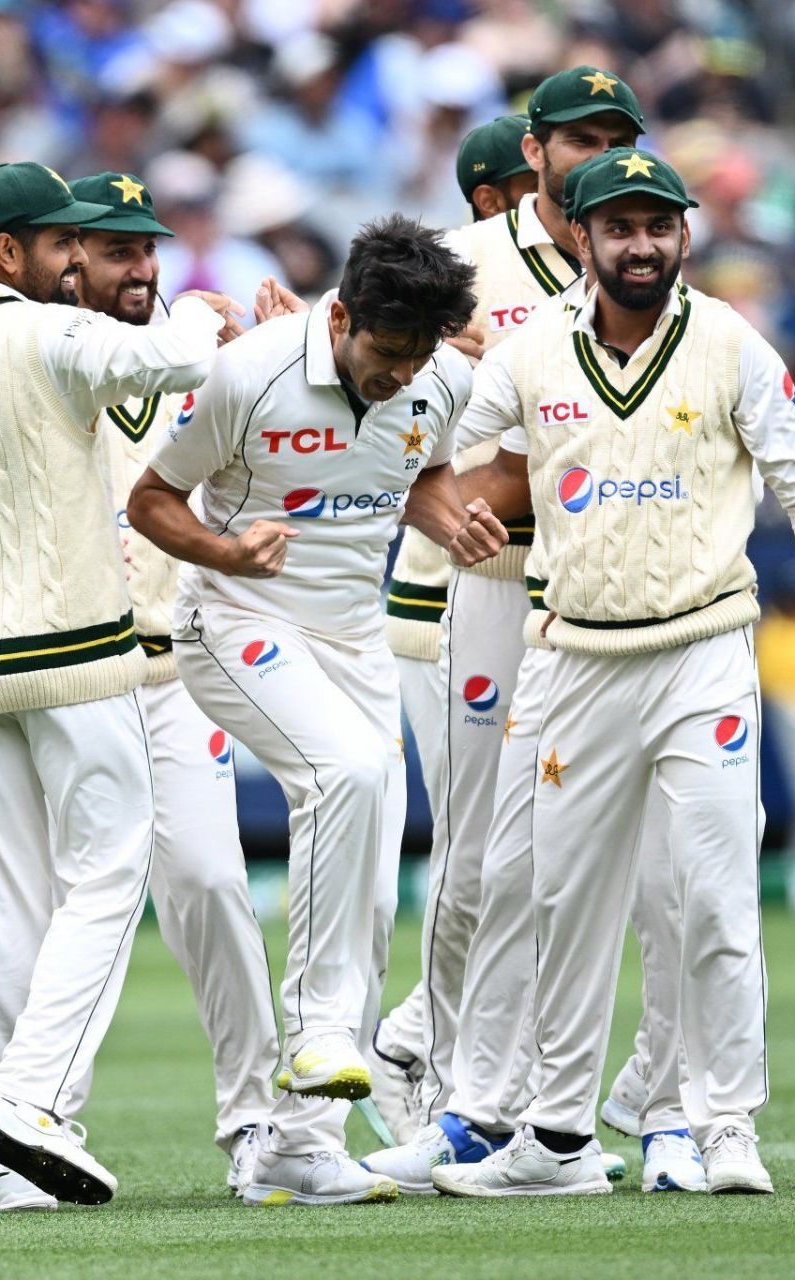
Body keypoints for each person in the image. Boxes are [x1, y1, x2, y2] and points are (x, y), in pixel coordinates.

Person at [432, 148, 795, 1198]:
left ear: (684, 235)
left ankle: (724, 1126)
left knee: (715, 898)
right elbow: (432, 450)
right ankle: (561, 1139)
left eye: (658, 226)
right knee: (564, 903)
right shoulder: (527, 355)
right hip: (574, 656)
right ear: (579, 235)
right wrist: (435, 499)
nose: (641, 244)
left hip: (703, 650)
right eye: (619, 227)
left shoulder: (729, 342)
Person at [0, 162, 240, 1208]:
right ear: (8, 253)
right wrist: (203, 306)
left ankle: (10, 1162)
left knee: (8, 897)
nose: (80, 256)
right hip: (75, 649)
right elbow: (169, 351)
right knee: (109, 875)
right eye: (61, 242)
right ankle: (30, 1096)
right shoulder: (45, 331)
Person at [128, 214, 502, 1208]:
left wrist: (447, 511)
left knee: (375, 881)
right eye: (384, 354)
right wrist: (223, 551)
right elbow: (150, 501)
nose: (397, 376)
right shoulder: (249, 373)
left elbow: (416, 469)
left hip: (351, 637)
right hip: (234, 619)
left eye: (416, 357)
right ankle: (320, 1033)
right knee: (347, 773)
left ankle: (297, 1145)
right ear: (340, 317)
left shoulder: (440, 380)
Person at [365, 66, 660, 1191]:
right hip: (477, 584)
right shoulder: (464, 262)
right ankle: (442, 1068)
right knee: (481, 852)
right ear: (530, 154)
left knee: (583, 860)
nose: (595, 155)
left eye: (614, 137)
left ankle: (534, 1095)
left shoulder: (644, 259)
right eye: (577, 137)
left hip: (604, 589)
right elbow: (379, 398)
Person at [28, 168, 274, 1203]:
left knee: (213, 883)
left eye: (148, 249)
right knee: (45, 912)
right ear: (67, 255)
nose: (141, 268)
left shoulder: (203, 350)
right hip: (64, 673)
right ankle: (37, 1124)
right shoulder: (31, 349)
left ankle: (258, 1117)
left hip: (170, 668)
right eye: (117, 249)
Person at [372, 117, 539, 1135]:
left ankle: (479, 1071)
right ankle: (418, 1044)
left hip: (536, 591)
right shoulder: (452, 273)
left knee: (535, 853)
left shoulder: (581, 277)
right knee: (478, 852)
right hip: (441, 602)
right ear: (490, 194)